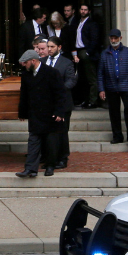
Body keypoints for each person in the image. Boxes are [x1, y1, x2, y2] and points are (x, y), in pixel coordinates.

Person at [15, 50, 67, 179]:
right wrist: (22, 112)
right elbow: (24, 95)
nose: (24, 65)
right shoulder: (26, 75)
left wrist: (59, 112)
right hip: (35, 114)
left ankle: (50, 166)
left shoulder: (51, 73)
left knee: (51, 143)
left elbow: (60, 94)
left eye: (26, 62)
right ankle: (30, 168)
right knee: (33, 141)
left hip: (51, 114)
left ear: (33, 61)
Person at [97, 29, 128, 147]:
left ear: (120, 38)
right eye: (111, 38)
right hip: (111, 87)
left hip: (126, 87)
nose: (113, 40)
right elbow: (100, 73)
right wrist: (101, 89)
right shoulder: (105, 53)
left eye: (115, 38)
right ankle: (117, 136)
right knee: (114, 113)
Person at [45, 37, 77, 168]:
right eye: (48, 46)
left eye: (52, 46)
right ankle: (50, 158)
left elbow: (71, 80)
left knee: (62, 132)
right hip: (47, 103)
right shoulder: (43, 62)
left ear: (59, 47)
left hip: (62, 103)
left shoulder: (66, 63)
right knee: (48, 132)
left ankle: (63, 158)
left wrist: (58, 89)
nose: (49, 49)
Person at [72, 4, 101, 108]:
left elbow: (95, 40)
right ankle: (85, 99)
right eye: (82, 9)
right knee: (82, 78)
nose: (83, 11)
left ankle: (93, 101)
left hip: (86, 52)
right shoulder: (77, 22)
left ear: (89, 11)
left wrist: (88, 52)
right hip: (79, 51)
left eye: (85, 10)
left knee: (91, 78)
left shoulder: (92, 23)